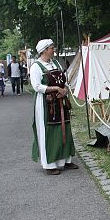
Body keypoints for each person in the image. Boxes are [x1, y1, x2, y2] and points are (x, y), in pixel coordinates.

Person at [30, 39, 77, 175]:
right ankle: (50, 165)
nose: (53, 49)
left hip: (60, 102)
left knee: (64, 129)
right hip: (46, 104)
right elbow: (37, 87)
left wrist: (65, 88)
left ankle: (66, 161)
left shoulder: (55, 63)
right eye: (51, 47)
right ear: (44, 50)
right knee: (49, 131)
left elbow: (63, 79)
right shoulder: (36, 67)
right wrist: (56, 88)